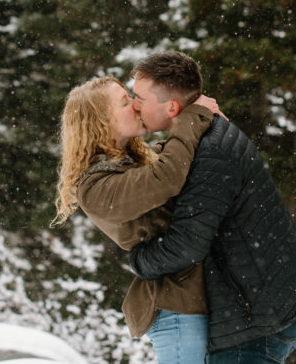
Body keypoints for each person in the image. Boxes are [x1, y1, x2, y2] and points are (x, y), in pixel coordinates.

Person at [127, 51, 296, 363]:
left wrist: (138, 259)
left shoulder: (210, 153)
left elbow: (186, 246)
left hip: (256, 322)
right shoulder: (204, 136)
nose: (134, 105)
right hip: (268, 305)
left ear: (172, 107)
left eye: (139, 98)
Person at [53, 75, 220, 363]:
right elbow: (167, 176)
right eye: (125, 102)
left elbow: (176, 154)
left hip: (196, 300)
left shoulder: (135, 162)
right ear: (101, 122)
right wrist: (194, 116)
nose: (136, 104)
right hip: (175, 308)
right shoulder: (96, 188)